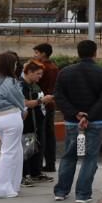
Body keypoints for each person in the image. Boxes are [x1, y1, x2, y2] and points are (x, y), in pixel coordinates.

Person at [53, 39, 102, 203]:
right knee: (89, 158)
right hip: (95, 122)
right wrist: (89, 116)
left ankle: (61, 191)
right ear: (95, 53)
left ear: (78, 53)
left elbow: (59, 96)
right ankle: (82, 194)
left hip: (72, 122)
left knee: (69, 156)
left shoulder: (65, 72)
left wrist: (75, 114)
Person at [0, 51, 27, 200]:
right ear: (11, 65)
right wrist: (24, 109)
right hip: (11, 118)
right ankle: (0, 189)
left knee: (15, 150)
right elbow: (19, 100)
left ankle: (13, 185)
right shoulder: (11, 81)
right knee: (9, 153)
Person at [29, 44, 60, 173]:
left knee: (41, 134)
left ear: (43, 53)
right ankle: (50, 163)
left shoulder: (42, 68)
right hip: (51, 103)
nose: (34, 55)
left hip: (41, 103)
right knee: (49, 134)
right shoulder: (55, 67)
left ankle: (38, 164)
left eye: (37, 52)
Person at [19, 60, 48, 185]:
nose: (40, 76)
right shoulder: (22, 85)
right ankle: (23, 175)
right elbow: (24, 102)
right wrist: (41, 101)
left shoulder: (34, 85)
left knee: (35, 148)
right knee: (26, 149)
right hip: (28, 123)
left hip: (37, 122)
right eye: (38, 73)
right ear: (29, 72)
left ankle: (35, 172)